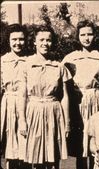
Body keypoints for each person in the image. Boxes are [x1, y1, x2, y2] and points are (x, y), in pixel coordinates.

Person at [19, 25, 71, 169]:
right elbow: (22, 95)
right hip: (33, 112)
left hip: (54, 112)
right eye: (41, 40)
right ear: (34, 42)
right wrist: (22, 120)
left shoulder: (59, 66)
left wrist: (67, 123)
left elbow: (64, 96)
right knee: (34, 156)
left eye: (48, 40)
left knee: (53, 157)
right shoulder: (26, 65)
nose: (45, 43)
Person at [62, 20, 99, 169]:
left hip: (96, 100)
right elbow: (62, 84)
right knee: (80, 144)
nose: (86, 38)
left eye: (90, 34)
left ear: (95, 36)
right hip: (77, 103)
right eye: (83, 34)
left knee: (96, 140)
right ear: (78, 36)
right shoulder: (69, 58)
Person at [0, 24, 28, 169]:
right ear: (8, 40)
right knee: (10, 150)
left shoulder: (30, 61)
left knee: (26, 150)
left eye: (21, 39)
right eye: (14, 39)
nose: (18, 43)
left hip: (26, 106)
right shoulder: (2, 61)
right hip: (8, 106)